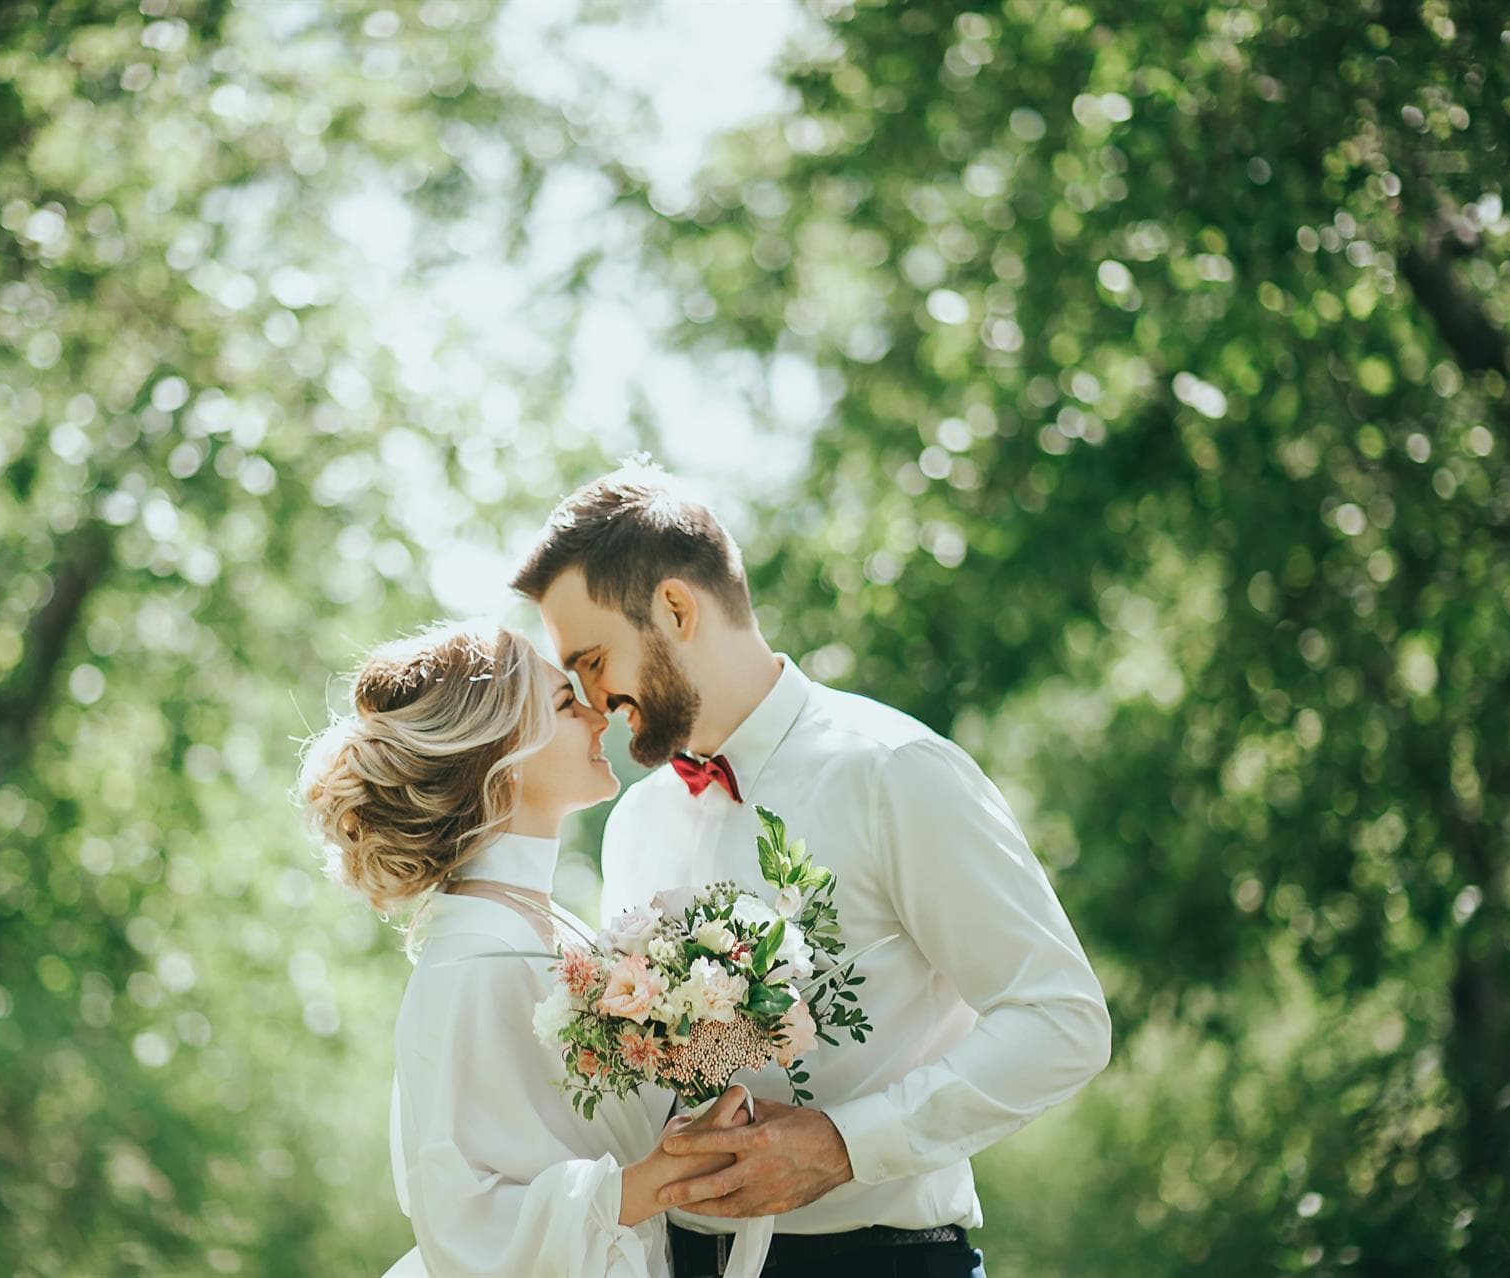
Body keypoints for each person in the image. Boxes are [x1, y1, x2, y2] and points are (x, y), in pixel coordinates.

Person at [512, 464, 1113, 1278]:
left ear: (677, 610)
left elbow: (1063, 1021)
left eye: (592, 661)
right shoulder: (634, 823)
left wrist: (843, 1145)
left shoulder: (895, 771)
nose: (588, 701)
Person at [298, 621, 752, 1278]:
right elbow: (459, 1218)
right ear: (503, 754)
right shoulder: (472, 956)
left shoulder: (547, 927)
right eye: (567, 704)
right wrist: (650, 1182)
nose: (600, 715)